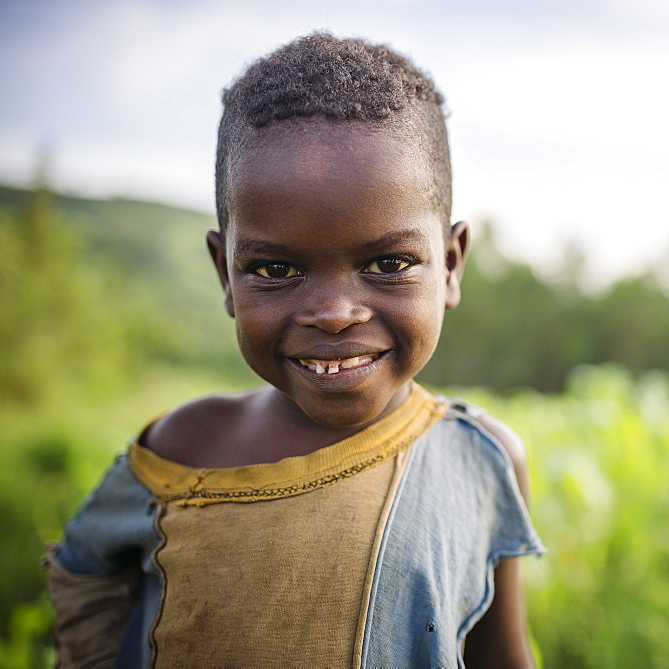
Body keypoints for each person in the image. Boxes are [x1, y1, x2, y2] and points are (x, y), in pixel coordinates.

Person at [44, 32, 543, 668]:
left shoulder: (484, 459)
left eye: (389, 262)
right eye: (277, 271)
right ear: (226, 274)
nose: (335, 314)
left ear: (449, 265)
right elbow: (85, 579)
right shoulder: (184, 447)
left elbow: (501, 655)